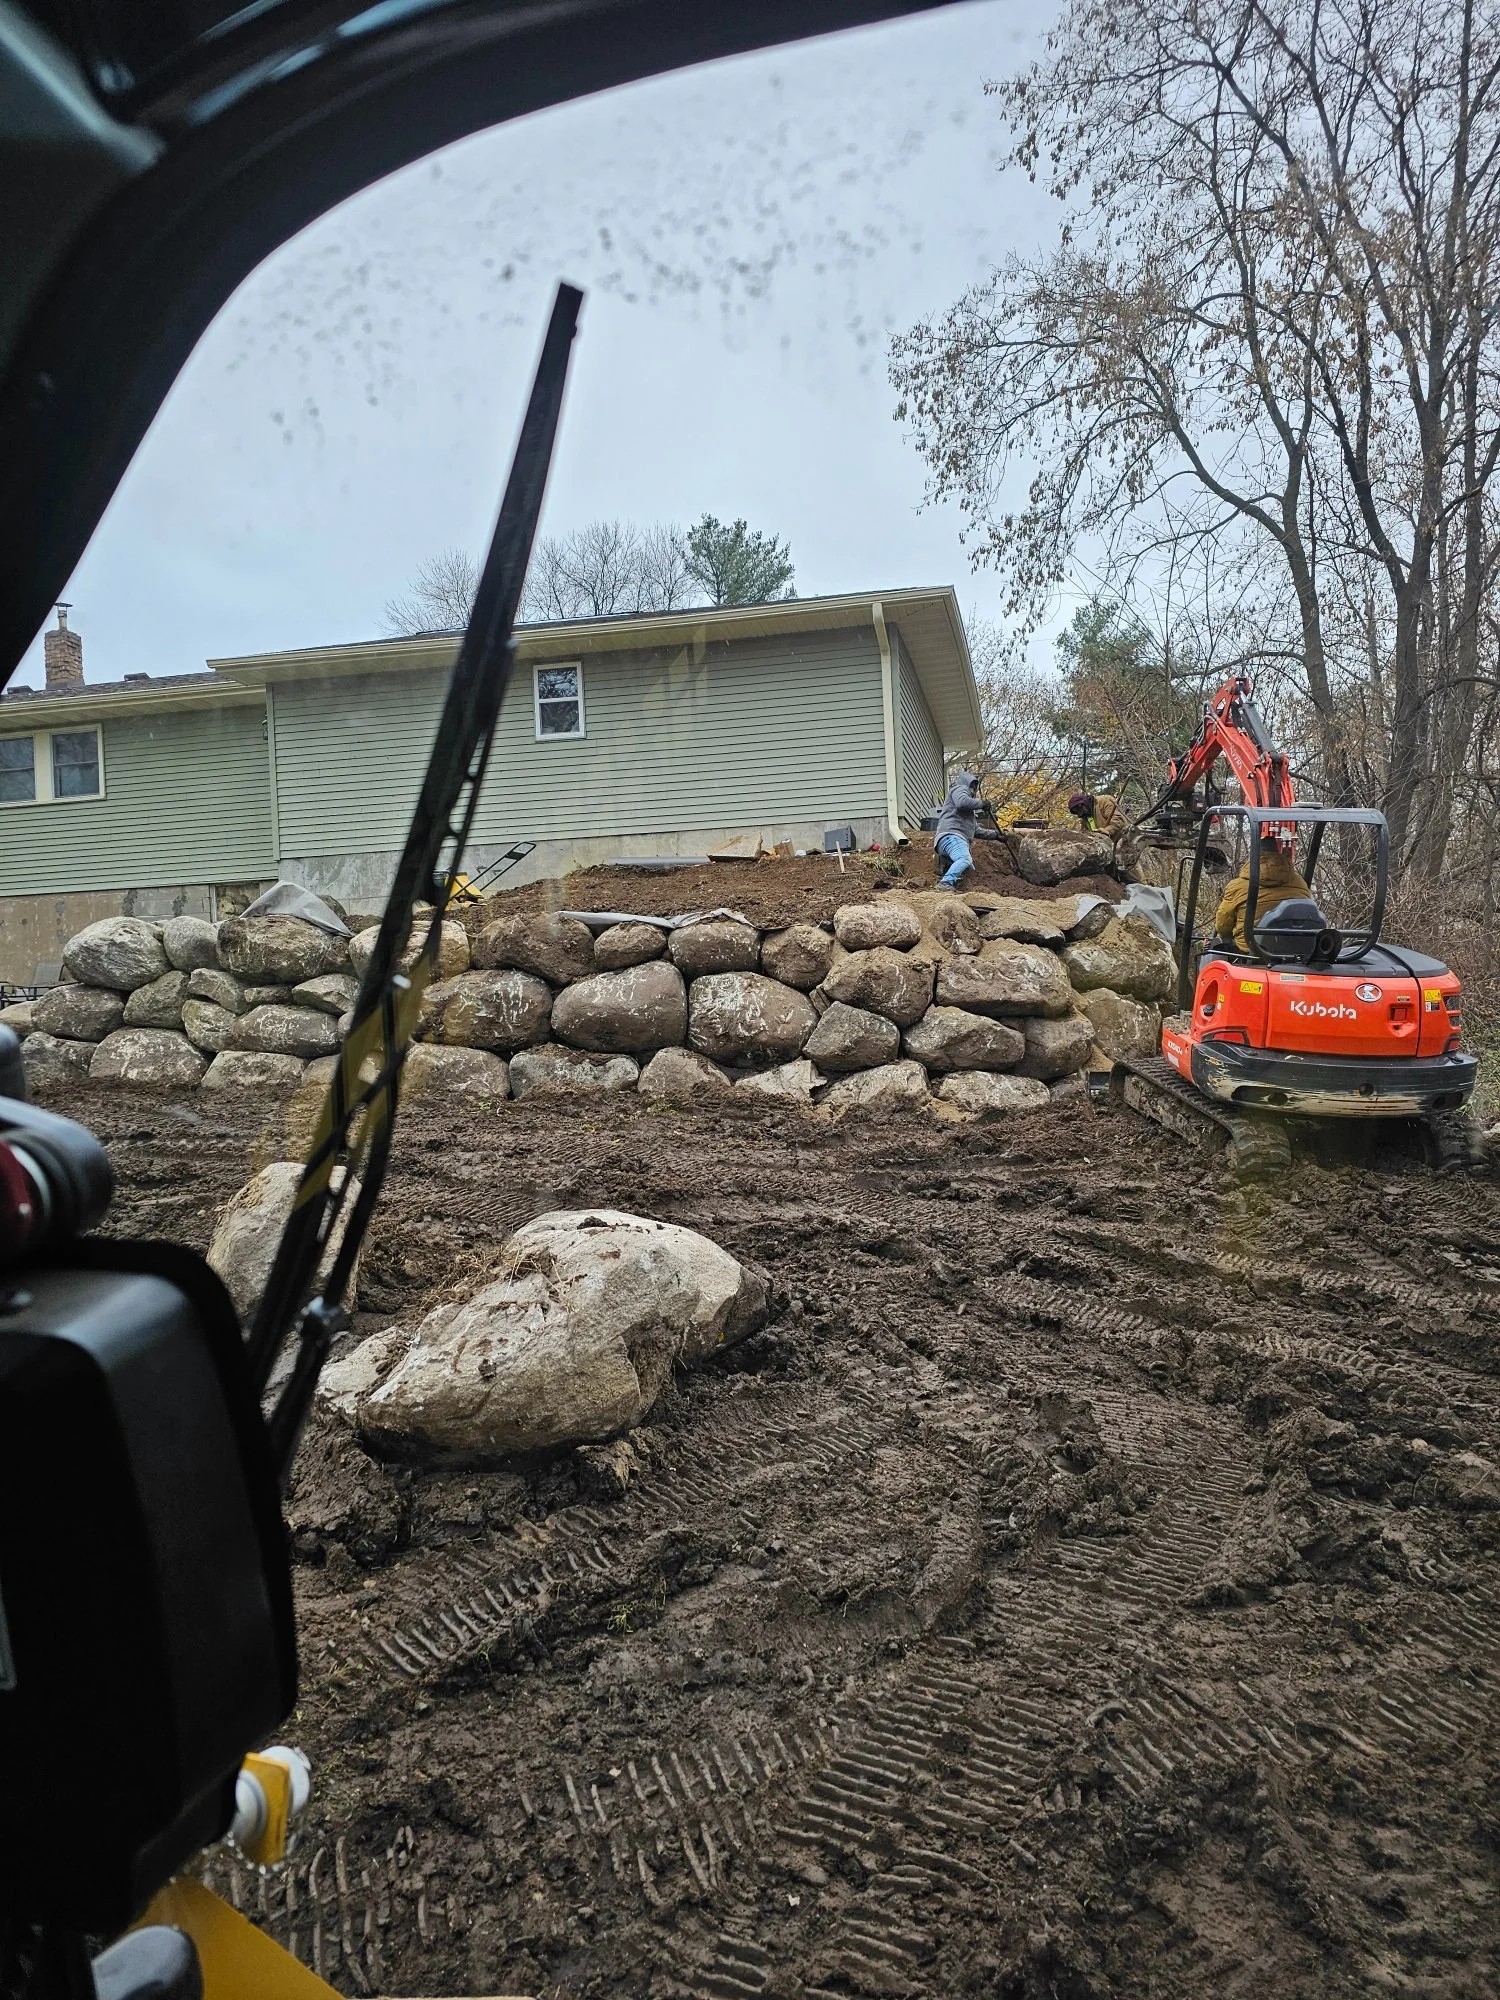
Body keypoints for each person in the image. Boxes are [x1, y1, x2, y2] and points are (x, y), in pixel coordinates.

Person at [1214, 835, 1310, 951]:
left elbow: (1223, 926)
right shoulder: (1300, 883)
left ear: (1253, 856)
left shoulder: (1237, 886)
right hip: (1291, 952)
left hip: (1250, 952)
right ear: (1278, 854)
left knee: (1212, 951)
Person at [933, 771, 998, 888]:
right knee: (964, 858)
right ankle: (945, 883)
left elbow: (976, 831)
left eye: (975, 787)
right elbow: (961, 802)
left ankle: (947, 867)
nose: (974, 789)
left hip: (952, 840)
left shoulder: (969, 813)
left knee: (969, 869)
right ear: (967, 783)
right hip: (952, 836)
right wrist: (981, 803)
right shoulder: (960, 789)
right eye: (972, 785)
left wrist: (996, 835)